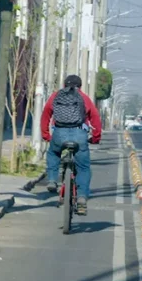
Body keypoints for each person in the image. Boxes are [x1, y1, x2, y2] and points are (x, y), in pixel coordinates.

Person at [41, 74, 102, 215]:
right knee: (84, 168)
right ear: (80, 86)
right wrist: (96, 137)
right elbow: (95, 117)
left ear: (64, 85)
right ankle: (81, 197)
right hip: (80, 135)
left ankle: (52, 180)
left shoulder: (56, 96)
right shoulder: (84, 98)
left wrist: (46, 135)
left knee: (53, 152)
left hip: (59, 134)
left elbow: (46, 114)